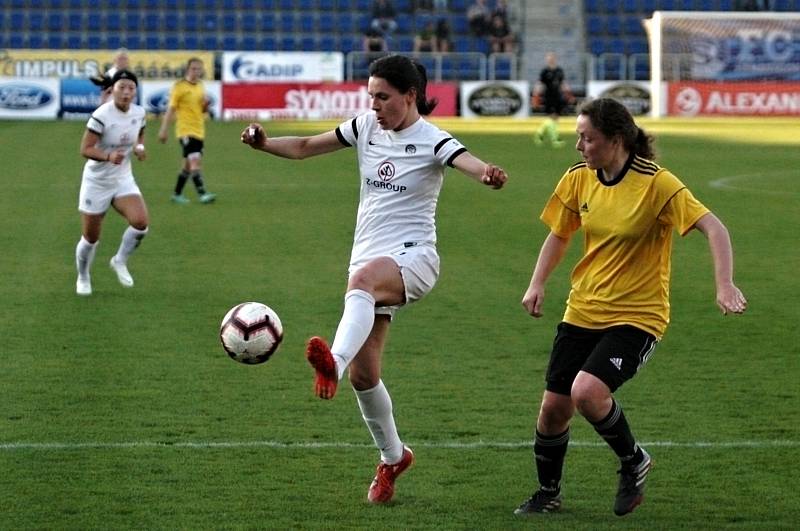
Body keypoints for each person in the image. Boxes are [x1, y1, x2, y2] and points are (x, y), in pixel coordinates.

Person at [240, 54, 508, 504]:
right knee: (367, 378)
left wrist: (488, 174)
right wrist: (264, 144)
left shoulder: (433, 140)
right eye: (371, 96)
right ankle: (393, 458)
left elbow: (468, 163)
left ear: (410, 96)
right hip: (368, 258)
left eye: (383, 97)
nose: (375, 104)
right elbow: (306, 148)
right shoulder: (365, 126)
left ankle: (333, 364)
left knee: (361, 285)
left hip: (415, 259)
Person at [515, 97, 747, 517]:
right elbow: (560, 233)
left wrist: (724, 284)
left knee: (587, 391)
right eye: (578, 137)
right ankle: (548, 493)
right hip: (583, 308)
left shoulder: (656, 183)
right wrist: (537, 283)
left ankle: (634, 460)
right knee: (553, 409)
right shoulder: (577, 179)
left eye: (587, 138)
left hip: (637, 316)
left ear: (616, 140)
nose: (579, 146)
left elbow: (714, 227)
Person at [75, 69, 149, 296]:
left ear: (135, 91)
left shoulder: (139, 113)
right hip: (97, 181)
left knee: (140, 223)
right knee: (90, 238)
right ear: (112, 90)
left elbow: (140, 134)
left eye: (131, 88)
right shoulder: (101, 115)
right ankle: (83, 276)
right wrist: (108, 156)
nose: (126, 92)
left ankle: (119, 260)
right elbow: (85, 149)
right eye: (122, 87)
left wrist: (139, 148)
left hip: (122, 177)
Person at [158, 57, 216, 205]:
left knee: (187, 165)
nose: (196, 71)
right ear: (188, 69)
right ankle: (202, 193)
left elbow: (203, 110)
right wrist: (164, 129)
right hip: (185, 130)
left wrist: (206, 105)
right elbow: (171, 109)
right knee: (195, 161)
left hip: (199, 129)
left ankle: (176, 194)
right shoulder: (179, 87)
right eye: (194, 68)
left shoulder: (200, 86)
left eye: (199, 69)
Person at [533, 52, 571, 148]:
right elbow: (539, 84)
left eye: (552, 58)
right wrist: (536, 96)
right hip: (548, 96)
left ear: (555, 59)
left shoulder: (559, 71)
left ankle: (539, 133)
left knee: (555, 118)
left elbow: (563, 83)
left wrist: (568, 93)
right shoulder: (545, 71)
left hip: (557, 96)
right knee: (552, 117)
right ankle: (555, 139)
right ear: (547, 60)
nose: (550, 59)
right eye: (549, 58)